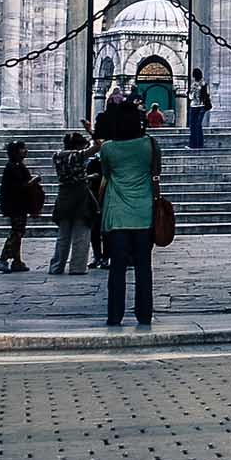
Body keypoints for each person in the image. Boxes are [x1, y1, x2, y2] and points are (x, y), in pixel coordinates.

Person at [96, 98, 159, 326]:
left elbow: (106, 173)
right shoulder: (149, 144)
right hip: (144, 213)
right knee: (144, 267)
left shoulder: (108, 148)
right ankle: (144, 314)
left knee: (117, 268)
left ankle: (114, 315)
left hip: (116, 214)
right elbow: (156, 172)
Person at [47, 132, 94, 276]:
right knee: (81, 234)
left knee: (63, 234)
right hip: (80, 195)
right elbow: (98, 146)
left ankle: (57, 266)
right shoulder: (77, 155)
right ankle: (77, 267)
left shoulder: (57, 155)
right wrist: (91, 131)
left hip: (63, 195)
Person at [0, 141, 39, 273]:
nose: (25, 151)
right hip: (15, 205)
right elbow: (21, 186)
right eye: (22, 149)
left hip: (20, 204)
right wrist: (34, 181)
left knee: (19, 231)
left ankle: (17, 261)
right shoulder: (12, 167)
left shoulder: (18, 166)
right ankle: (2, 259)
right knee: (16, 232)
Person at [187, 69, 211, 149]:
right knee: (197, 125)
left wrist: (192, 91)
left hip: (195, 106)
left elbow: (191, 97)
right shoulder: (204, 84)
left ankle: (194, 144)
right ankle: (198, 144)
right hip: (201, 106)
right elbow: (208, 94)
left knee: (194, 125)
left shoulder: (194, 85)